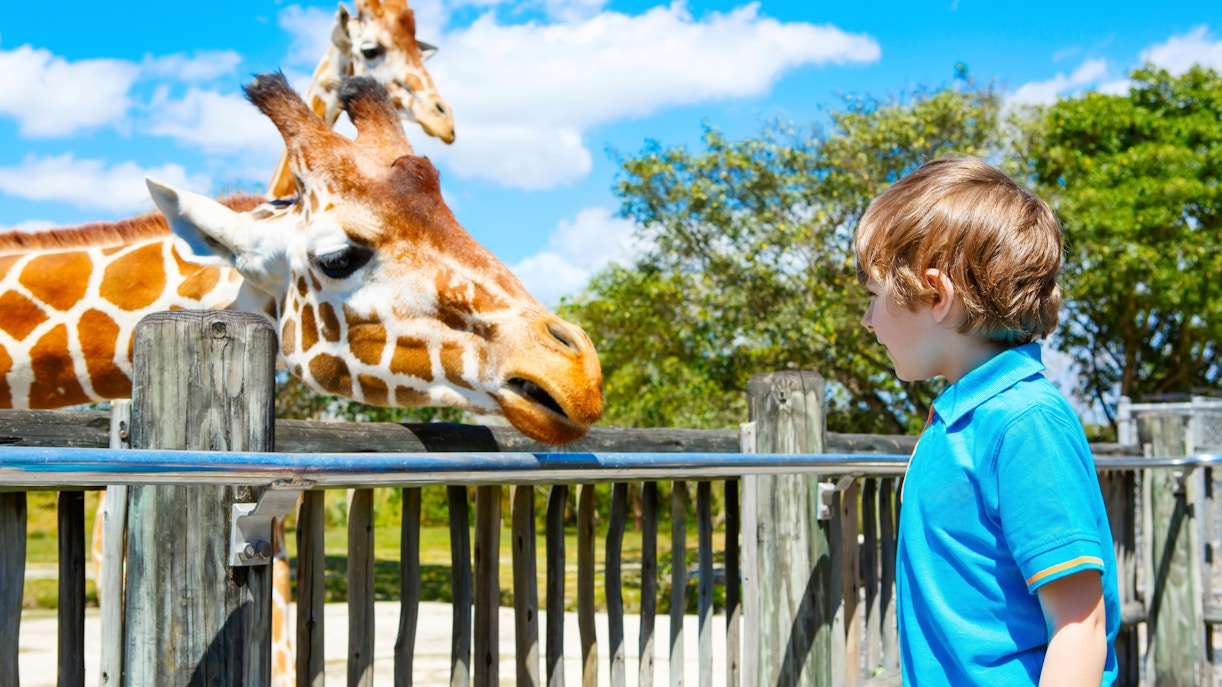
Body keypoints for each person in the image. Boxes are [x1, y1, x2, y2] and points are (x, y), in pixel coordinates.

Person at [853, 155, 1120, 686]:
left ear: (938, 295)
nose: (867, 320)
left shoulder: (1024, 422)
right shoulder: (961, 417)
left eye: (874, 298)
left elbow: (1079, 624)